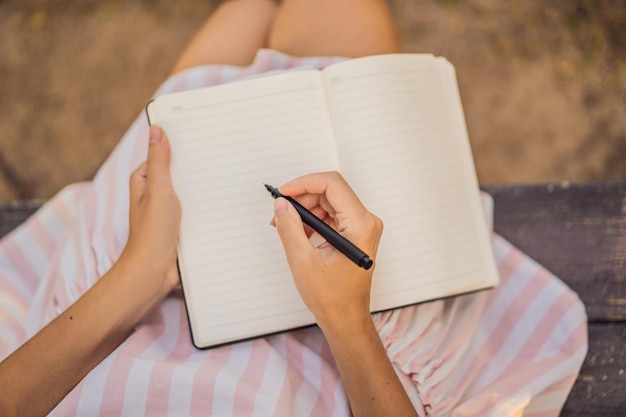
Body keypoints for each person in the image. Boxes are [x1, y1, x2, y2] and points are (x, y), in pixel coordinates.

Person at [0, 0, 587, 416]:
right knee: (338, 14)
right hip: (350, 357)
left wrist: (140, 272)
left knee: (231, 42)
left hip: (106, 321)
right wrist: (347, 319)